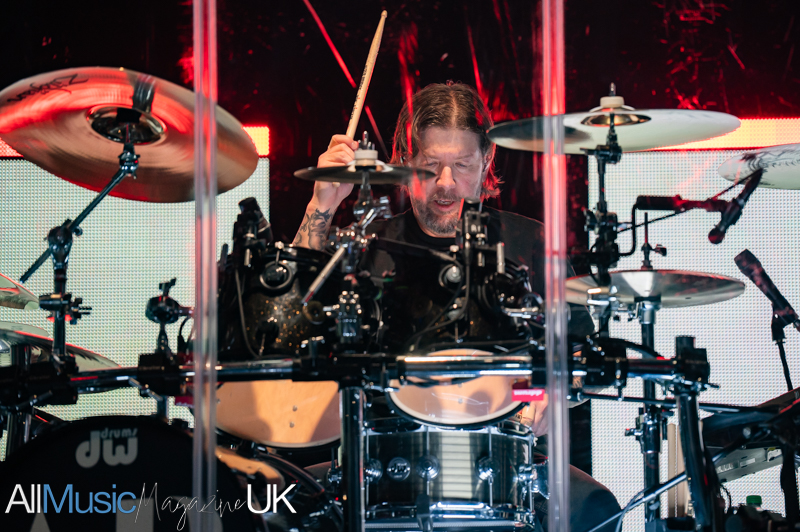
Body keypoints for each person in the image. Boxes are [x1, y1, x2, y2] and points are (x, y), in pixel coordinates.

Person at [293, 82, 620, 531]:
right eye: (430, 166)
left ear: (487, 161)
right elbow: (291, 320)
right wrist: (322, 205)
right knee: (283, 505)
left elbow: (586, 357)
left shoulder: (531, 243)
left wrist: (548, 392)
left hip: (505, 465)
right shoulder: (366, 246)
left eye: (462, 165)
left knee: (596, 510)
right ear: (404, 161)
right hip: (381, 462)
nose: (445, 184)